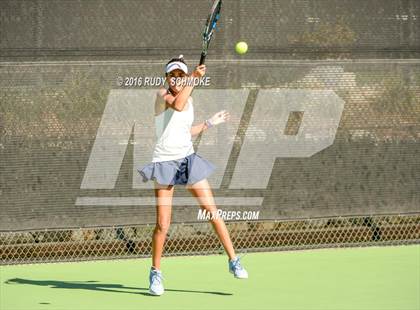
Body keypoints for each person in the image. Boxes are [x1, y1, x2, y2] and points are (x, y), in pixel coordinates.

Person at [138, 55, 248, 296]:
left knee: (212, 211)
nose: (176, 80)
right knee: (162, 224)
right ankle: (155, 273)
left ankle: (233, 260)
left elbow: (185, 131)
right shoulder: (161, 95)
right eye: (172, 76)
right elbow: (176, 105)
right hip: (165, 163)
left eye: (180, 75)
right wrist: (194, 79)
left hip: (188, 160)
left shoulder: (190, 97)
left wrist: (209, 123)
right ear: (166, 78)